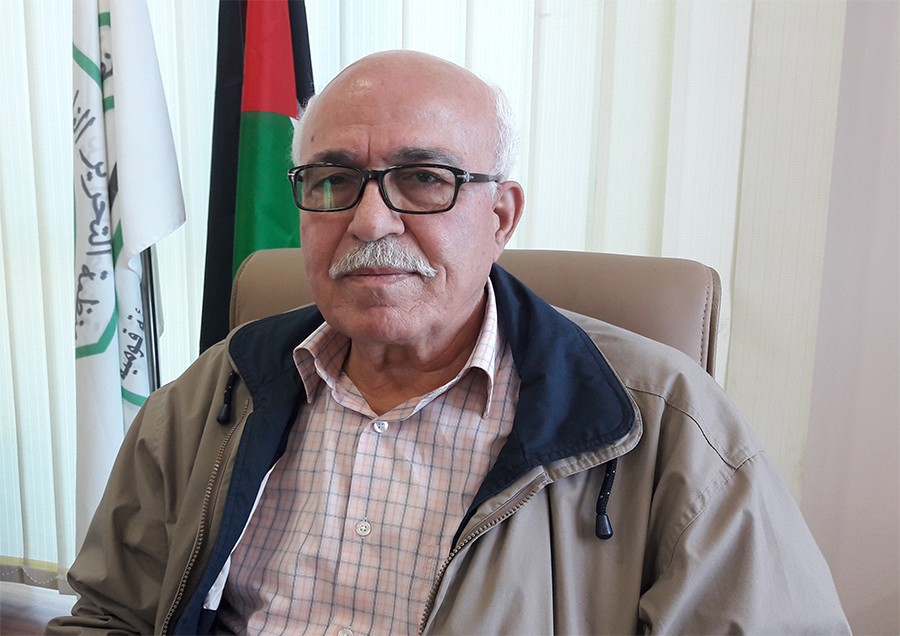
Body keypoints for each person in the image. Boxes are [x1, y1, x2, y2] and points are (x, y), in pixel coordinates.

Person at [48, 50, 849, 635]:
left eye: (424, 178)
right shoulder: (216, 394)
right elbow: (112, 616)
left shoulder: (667, 424)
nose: (369, 220)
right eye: (332, 180)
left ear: (501, 216)